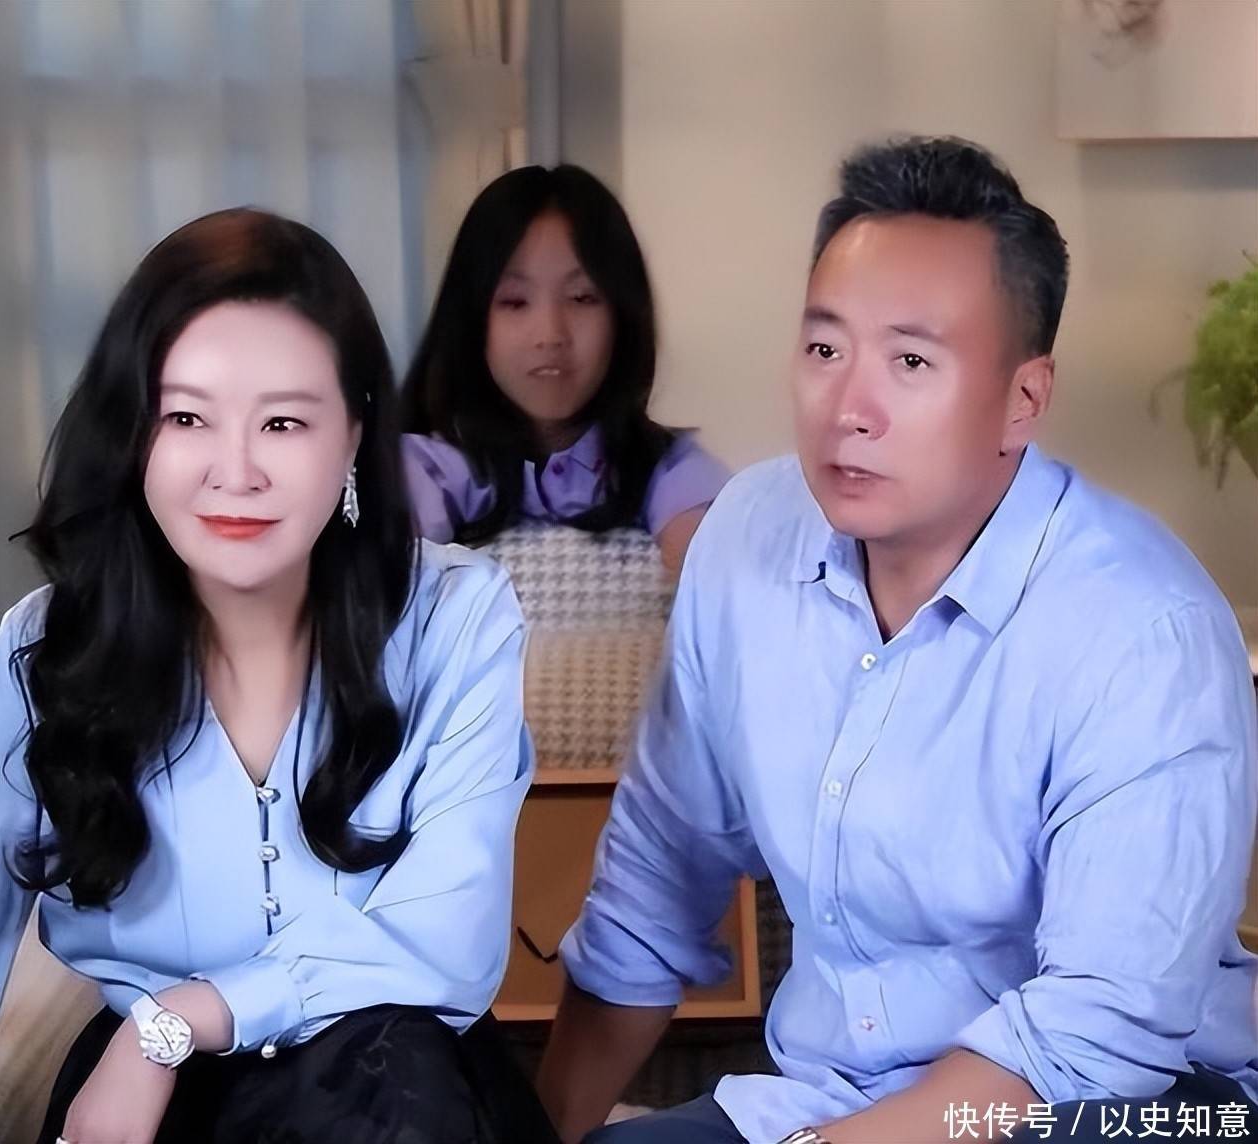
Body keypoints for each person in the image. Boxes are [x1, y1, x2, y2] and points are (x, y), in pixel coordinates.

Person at [535, 137, 1258, 1143]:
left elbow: (1095, 1036)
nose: (848, 410)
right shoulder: (745, 541)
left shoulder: (1144, 634)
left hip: (1105, 1109)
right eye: (825, 350)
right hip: (832, 1098)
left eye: (910, 362)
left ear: (1022, 399)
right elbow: (652, 886)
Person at [0, 207, 556, 1143]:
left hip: (398, 1087)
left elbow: (446, 936)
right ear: (134, 433)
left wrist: (173, 1025)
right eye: (186, 417)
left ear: (354, 433)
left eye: (282, 421)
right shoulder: (43, 654)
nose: (234, 472)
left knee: (397, 1061)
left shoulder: (456, 620)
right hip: (152, 1110)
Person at [399, 164, 729, 574]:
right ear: (470, 319)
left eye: (581, 297)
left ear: (624, 316)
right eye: (515, 301)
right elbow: (390, 572)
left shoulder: (665, 467)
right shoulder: (433, 464)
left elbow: (713, 575)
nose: (550, 334)